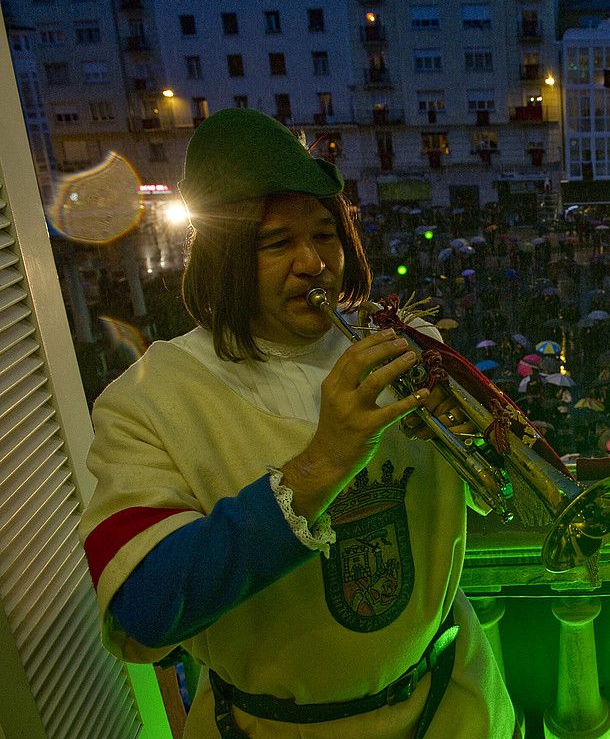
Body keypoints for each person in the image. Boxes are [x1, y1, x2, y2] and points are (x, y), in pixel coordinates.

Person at [80, 108, 516, 739]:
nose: (315, 264)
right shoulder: (147, 400)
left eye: (325, 235)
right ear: (225, 258)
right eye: (277, 243)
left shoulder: (402, 345)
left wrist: (483, 444)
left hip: (450, 705)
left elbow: (479, 502)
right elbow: (146, 607)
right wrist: (324, 461)